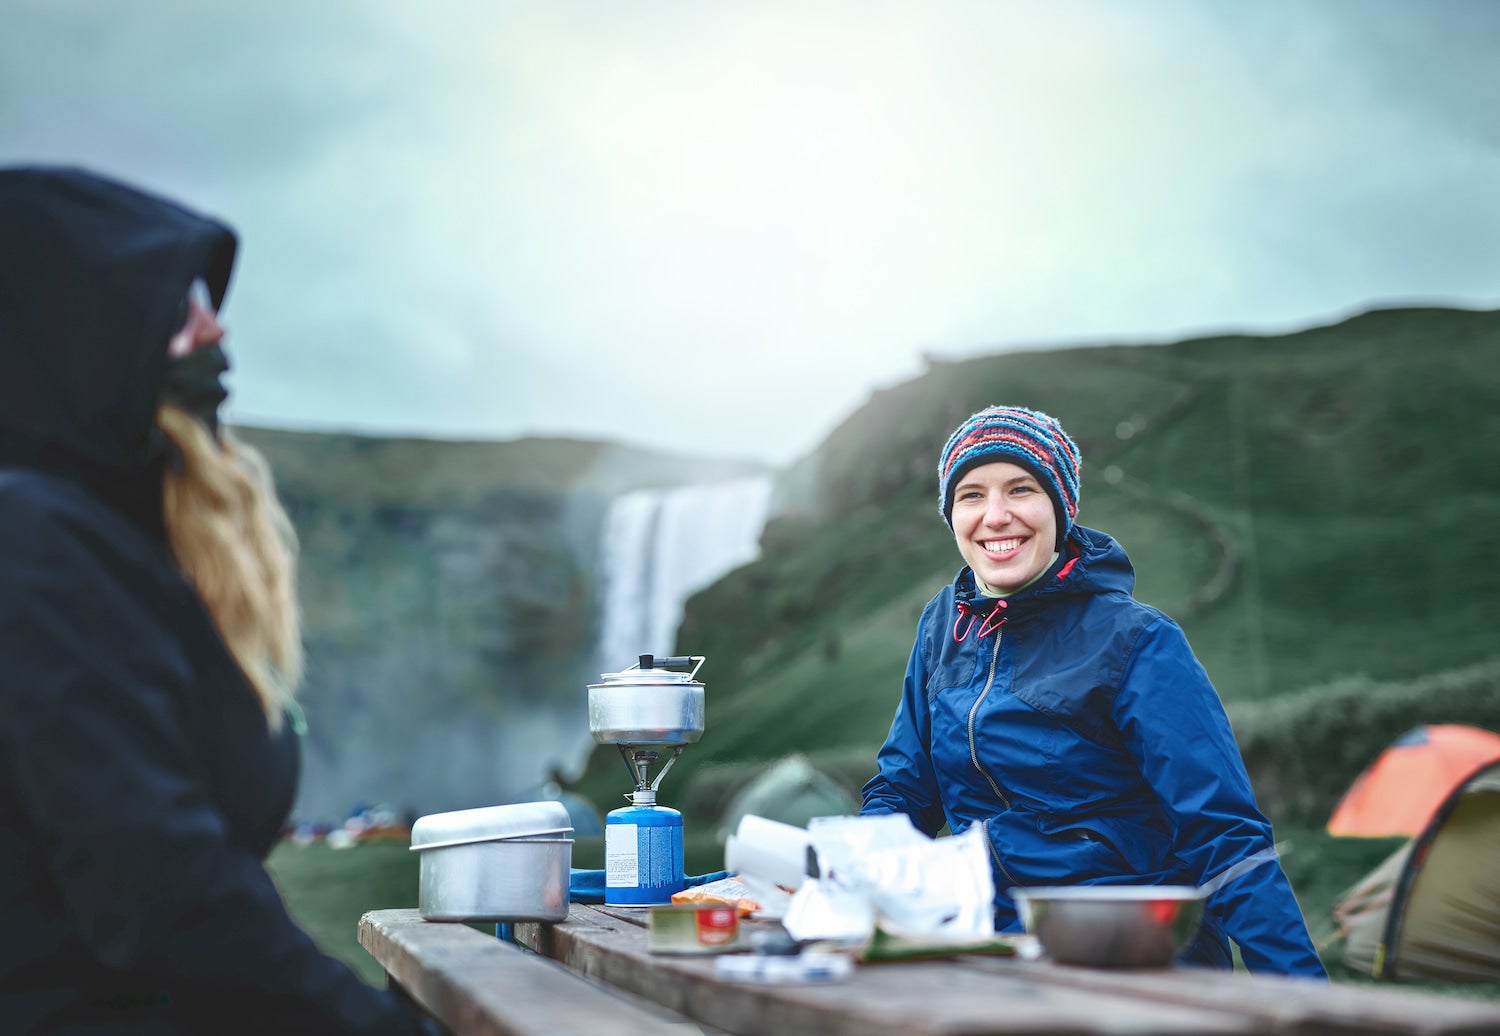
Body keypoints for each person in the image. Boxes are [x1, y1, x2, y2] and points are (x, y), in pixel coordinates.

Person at [0, 166, 443, 1033]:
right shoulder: (34, 541)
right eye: (173, 303)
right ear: (72, 325)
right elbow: (162, 892)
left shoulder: (113, 545)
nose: (213, 324)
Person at [859, 405, 1326, 977]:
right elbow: (904, 788)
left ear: (1061, 507)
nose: (996, 515)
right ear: (951, 515)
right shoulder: (942, 626)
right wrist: (849, 865)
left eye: (1021, 489)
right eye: (972, 495)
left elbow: (1225, 835)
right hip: (991, 944)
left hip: (1128, 952)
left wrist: (1307, 1001)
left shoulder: (1138, 640)